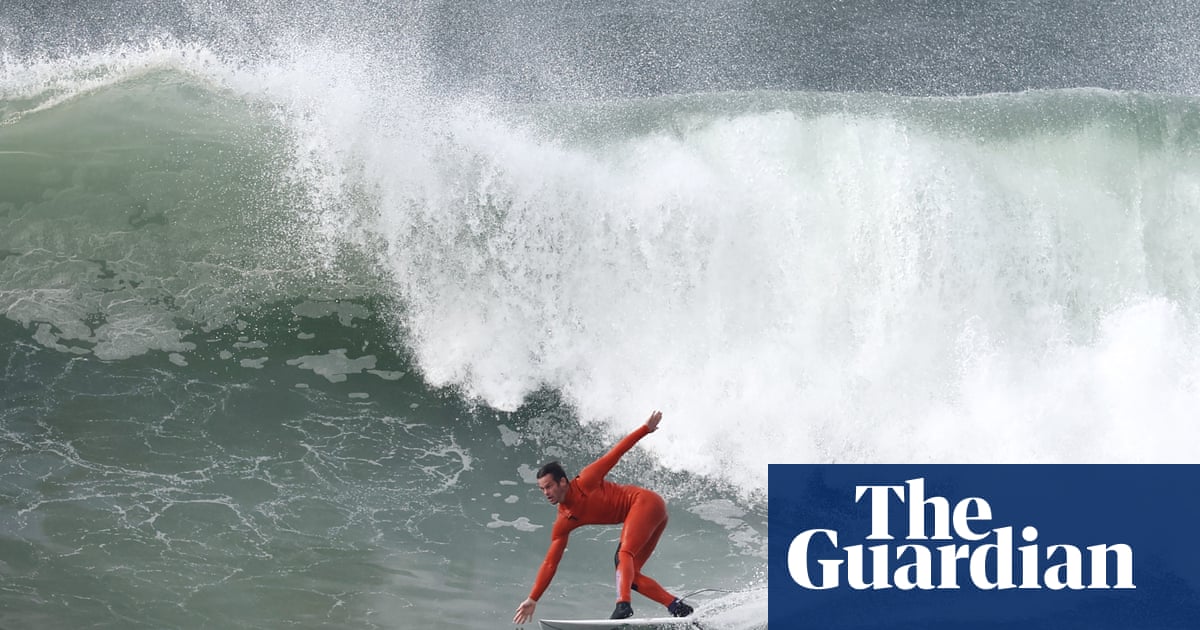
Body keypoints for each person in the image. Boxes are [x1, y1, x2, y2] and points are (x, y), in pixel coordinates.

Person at [512, 410, 694, 624]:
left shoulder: (587, 479)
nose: (546, 493)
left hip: (644, 502)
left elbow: (616, 453)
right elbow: (550, 563)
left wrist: (646, 429)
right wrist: (533, 598)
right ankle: (678, 608)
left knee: (622, 556)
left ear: (563, 482)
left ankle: (622, 605)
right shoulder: (564, 519)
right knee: (629, 575)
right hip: (651, 516)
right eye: (542, 489)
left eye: (549, 486)